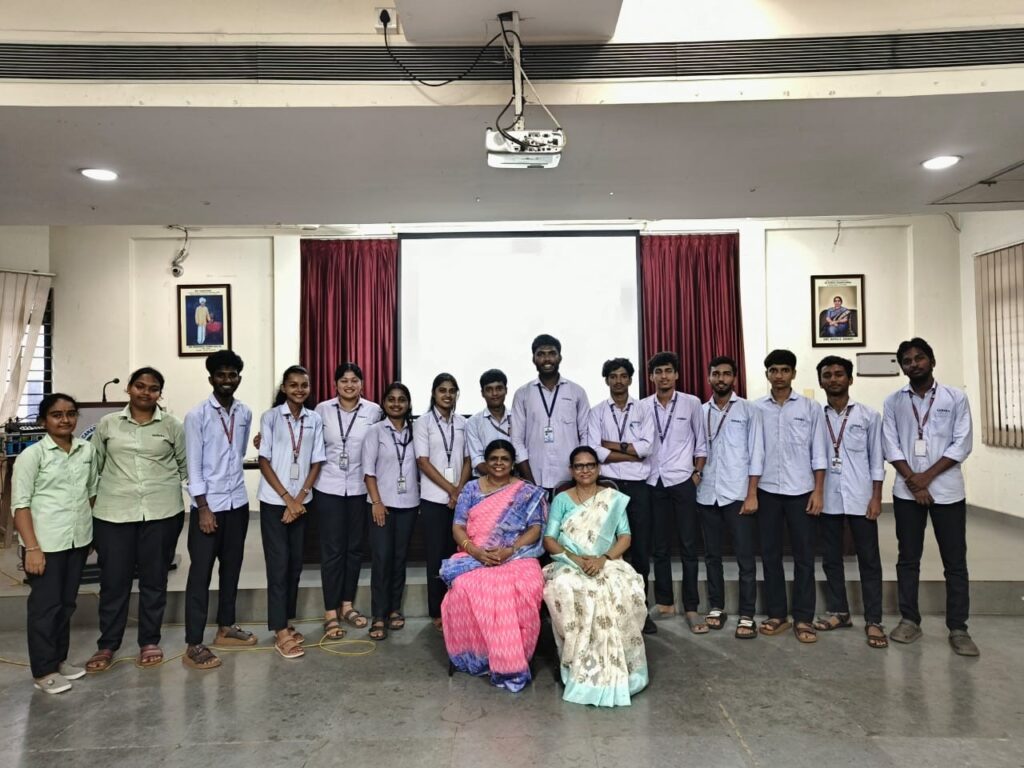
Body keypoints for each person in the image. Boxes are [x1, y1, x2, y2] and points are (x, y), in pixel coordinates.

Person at [87, 367, 187, 672]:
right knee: (113, 581)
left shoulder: (172, 425)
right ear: (128, 388)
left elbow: (185, 466)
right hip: (114, 513)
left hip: (161, 512)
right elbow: (93, 467)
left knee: (154, 580)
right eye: (140, 386)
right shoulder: (108, 424)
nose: (146, 392)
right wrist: (92, 507)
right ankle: (107, 644)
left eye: (153, 388)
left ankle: (149, 641)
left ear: (160, 394)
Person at [882, 337, 977, 656]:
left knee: (955, 561)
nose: (914, 364)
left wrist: (926, 477)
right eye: (907, 361)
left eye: (919, 358)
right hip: (907, 493)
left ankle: (959, 628)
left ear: (932, 361)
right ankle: (909, 620)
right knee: (908, 558)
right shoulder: (893, 402)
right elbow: (890, 445)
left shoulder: (955, 397)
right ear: (902, 367)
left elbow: (962, 443)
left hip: (947, 492)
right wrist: (914, 481)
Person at [542, 446, 649, 707]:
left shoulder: (612, 499)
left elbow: (625, 536)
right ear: (571, 470)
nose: (585, 470)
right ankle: (577, 664)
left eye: (590, 465)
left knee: (620, 587)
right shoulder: (562, 500)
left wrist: (604, 559)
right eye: (579, 466)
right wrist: (577, 559)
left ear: (598, 469)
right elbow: (549, 539)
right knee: (565, 586)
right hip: (570, 562)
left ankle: (625, 667)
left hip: (607, 561)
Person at [440, 439, 547, 691]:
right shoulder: (470, 489)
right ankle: (481, 654)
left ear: (512, 463)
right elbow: (458, 527)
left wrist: (511, 549)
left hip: (517, 555)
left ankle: (513, 659)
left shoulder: (526, 491)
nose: (499, 463)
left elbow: (535, 528)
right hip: (474, 556)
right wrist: (476, 552)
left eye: (504, 459)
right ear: (485, 463)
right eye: (494, 459)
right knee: (465, 586)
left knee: (526, 586)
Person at [12, 393, 97, 694]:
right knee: (45, 608)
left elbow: (91, 493)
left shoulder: (87, 449)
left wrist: (87, 532)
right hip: (45, 544)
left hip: (77, 540)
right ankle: (43, 671)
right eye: (57, 415)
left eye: (71, 414)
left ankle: (59, 660)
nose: (65, 420)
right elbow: (20, 506)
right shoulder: (32, 455)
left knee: (66, 604)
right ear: (43, 420)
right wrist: (32, 548)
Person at [182, 350, 256, 671]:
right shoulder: (196, 415)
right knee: (200, 574)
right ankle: (193, 643)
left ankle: (225, 627)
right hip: (208, 506)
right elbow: (193, 466)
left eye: (232, 375)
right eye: (221, 375)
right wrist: (203, 508)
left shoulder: (245, 412)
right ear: (211, 378)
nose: (227, 380)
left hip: (237, 503)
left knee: (232, 568)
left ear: (239, 378)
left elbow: (237, 454)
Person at [813, 356, 887, 648]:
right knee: (831, 560)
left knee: (869, 561)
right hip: (828, 497)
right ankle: (839, 612)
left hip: (861, 497)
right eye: (827, 375)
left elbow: (877, 459)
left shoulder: (869, 416)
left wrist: (877, 497)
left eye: (839, 374)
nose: (833, 379)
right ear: (821, 382)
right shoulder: (815, 416)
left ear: (850, 379)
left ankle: (874, 620)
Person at [754, 350, 827, 643]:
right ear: (767, 374)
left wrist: (818, 491)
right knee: (770, 555)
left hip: (801, 491)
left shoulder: (810, 408)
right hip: (768, 490)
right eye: (774, 370)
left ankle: (804, 618)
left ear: (793, 373)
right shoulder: (756, 409)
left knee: (804, 557)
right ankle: (777, 614)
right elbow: (754, 453)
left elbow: (819, 452)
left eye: (785, 370)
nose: (779, 375)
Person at [257, 365, 326, 659]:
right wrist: (287, 499)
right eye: (293, 385)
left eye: (304, 385)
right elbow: (264, 461)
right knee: (278, 565)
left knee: (295, 564)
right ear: (284, 388)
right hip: (274, 501)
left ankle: (286, 621)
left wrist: (299, 500)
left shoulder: (314, 419)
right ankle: (279, 630)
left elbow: (317, 461)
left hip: (301, 502)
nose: (299, 389)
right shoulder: (271, 417)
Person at [587, 357, 658, 634]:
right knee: (610, 547)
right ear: (606, 380)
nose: (618, 381)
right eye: (613, 376)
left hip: (639, 486)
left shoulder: (644, 410)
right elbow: (596, 450)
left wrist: (612, 446)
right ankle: (612, 611)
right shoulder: (596, 412)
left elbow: (647, 448)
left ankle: (642, 611)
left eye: (623, 376)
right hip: (608, 486)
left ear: (630, 379)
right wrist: (630, 452)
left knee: (640, 550)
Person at [696, 356, 764, 639]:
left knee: (745, 557)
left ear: (734, 378)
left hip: (737, 494)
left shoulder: (749, 410)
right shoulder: (700, 411)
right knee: (712, 556)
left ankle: (747, 614)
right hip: (707, 493)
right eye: (716, 374)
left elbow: (757, 453)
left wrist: (752, 494)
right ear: (709, 377)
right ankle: (717, 607)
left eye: (726, 374)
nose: (721, 378)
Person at [313, 362, 382, 638]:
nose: (349, 385)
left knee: (354, 549)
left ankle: (347, 605)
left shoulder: (374, 411)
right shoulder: (322, 410)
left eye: (354, 380)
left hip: (359, 488)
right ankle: (330, 612)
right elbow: (308, 443)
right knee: (332, 551)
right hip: (328, 487)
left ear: (362, 384)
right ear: (335, 384)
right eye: (344, 380)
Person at [642, 351, 708, 633]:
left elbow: (702, 442)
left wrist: (697, 474)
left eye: (668, 370)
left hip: (682, 480)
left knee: (689, 546)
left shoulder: (692, 403)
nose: (664, 376)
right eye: (658, 372)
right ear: (651, 377)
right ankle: (665, 602)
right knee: (659, 547)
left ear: (677, 374)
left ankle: (691, 607)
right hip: (653, 481)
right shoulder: (642, 406)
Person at [414, 373, 472, 631]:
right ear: (433, 394)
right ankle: (437, 610)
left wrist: (459, 491)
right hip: (433, 499)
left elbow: (468, 459)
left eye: (451, 391)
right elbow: (422, 461)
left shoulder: (463, 423)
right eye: (442, 390)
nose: (447, 395)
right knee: (436, 555)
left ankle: (456, 607)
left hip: (459, 500)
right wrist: (451, 489)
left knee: (457, 554)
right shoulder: (423, 423)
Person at [363, 382, 419, 641]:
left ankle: (394, 608)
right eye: (391, 399)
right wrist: (376, 502)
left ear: (409, 404)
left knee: (399, 559)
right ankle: (378, 615)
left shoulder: (416, 431)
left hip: (409, 504)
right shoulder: (375, 431)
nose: (396, 404)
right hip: (381, 506)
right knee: (382, 559)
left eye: (402, 399)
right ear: (384, 403)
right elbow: (368, 471)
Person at [511, 334, 590, 494]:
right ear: (533, 359)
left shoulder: (577, 392)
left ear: (560, 357)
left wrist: (579, 473)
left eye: (552, 353)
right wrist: (530, 483)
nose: (547, 359)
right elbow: (517, 440)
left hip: (570, 479)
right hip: (534, 478)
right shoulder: (522, 394)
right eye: (541, 354)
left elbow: (585, 435)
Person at [466, 369, 512, 477]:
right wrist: (501, 478)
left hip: (514, 479)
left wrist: (511, 480)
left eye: (499, 388)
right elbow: (477, 459)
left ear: (506, 390)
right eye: (489, 389)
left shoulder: (517, 418)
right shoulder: (473, 422)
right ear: (482, 393)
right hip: (484, 480)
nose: (494, 393)